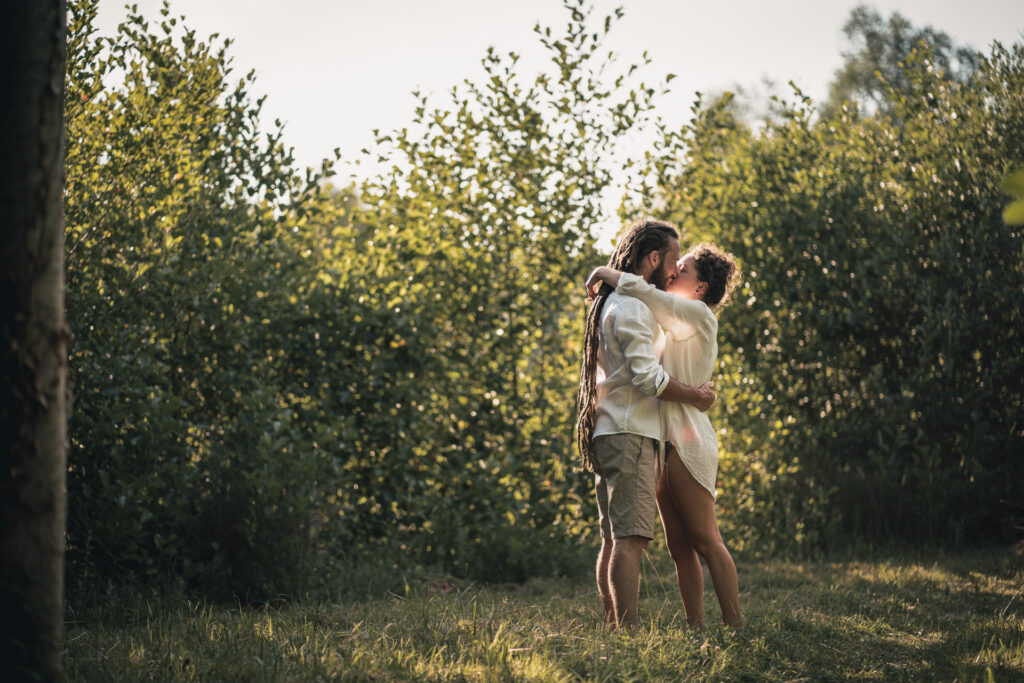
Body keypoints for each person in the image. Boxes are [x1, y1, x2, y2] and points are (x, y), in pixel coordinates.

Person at [585, 242, 743, 629]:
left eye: (683, 268)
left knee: (705, 538)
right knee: (678, 546)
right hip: (662, 437)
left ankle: (735, 625)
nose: (674, 271)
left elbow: (648, 292)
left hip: (688, 438)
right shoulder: (673, 319)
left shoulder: (698, 315)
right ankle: (696, 626)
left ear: (701, 287)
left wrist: (609, 274)